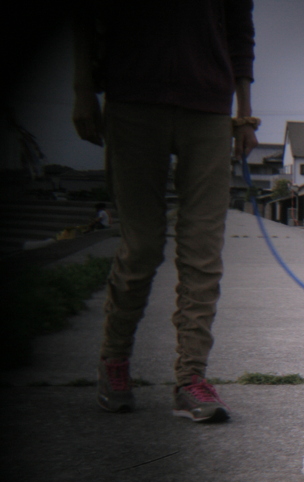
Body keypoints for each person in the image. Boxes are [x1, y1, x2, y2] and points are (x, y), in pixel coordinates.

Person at [72, 2, 258, 422]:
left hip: (210, 104)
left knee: (203, 253)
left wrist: (244, 112)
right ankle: (114, 362)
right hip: (133, 95)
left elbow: (239, 30)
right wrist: (83, 87)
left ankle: (191, 377)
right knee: (141, 246)